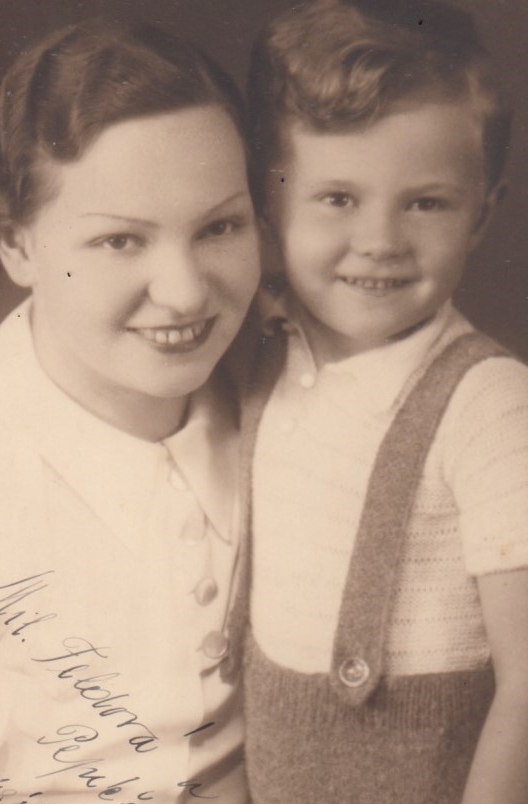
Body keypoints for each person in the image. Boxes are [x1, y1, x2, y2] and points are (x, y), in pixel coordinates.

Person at [0, 18, 260, 803]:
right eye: (121, 241)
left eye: (220, 226)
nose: (184, 291)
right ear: (17, 243)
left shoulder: (282, 392)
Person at [226, 0, 528, 801]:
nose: (381, 242)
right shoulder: (266, 346)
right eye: (337, 198)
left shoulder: (490, 406)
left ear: (482, 215)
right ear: (268, 202)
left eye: (426, 203)